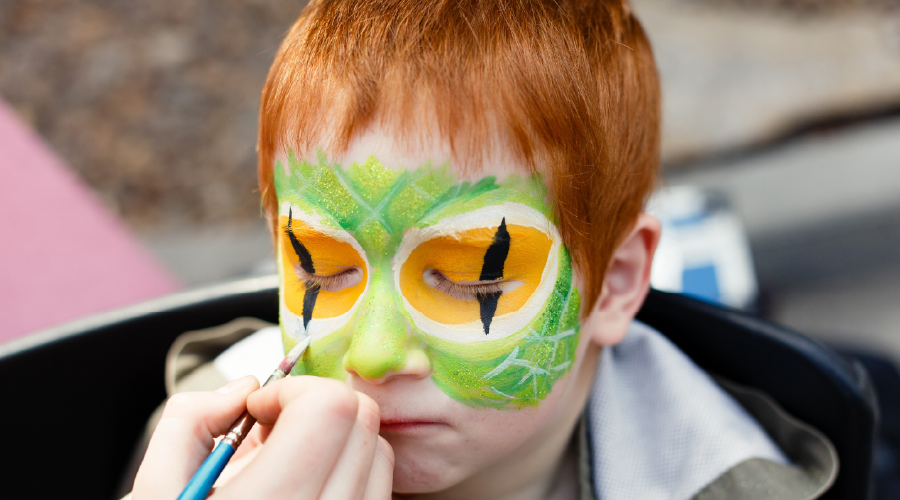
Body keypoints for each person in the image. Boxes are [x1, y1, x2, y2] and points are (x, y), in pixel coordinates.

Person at [130, 1, 837, 498]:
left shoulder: (725, 481)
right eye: (321, 269)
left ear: (615, 282)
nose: (373, 354)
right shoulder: (196, 446)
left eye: (473, 279)